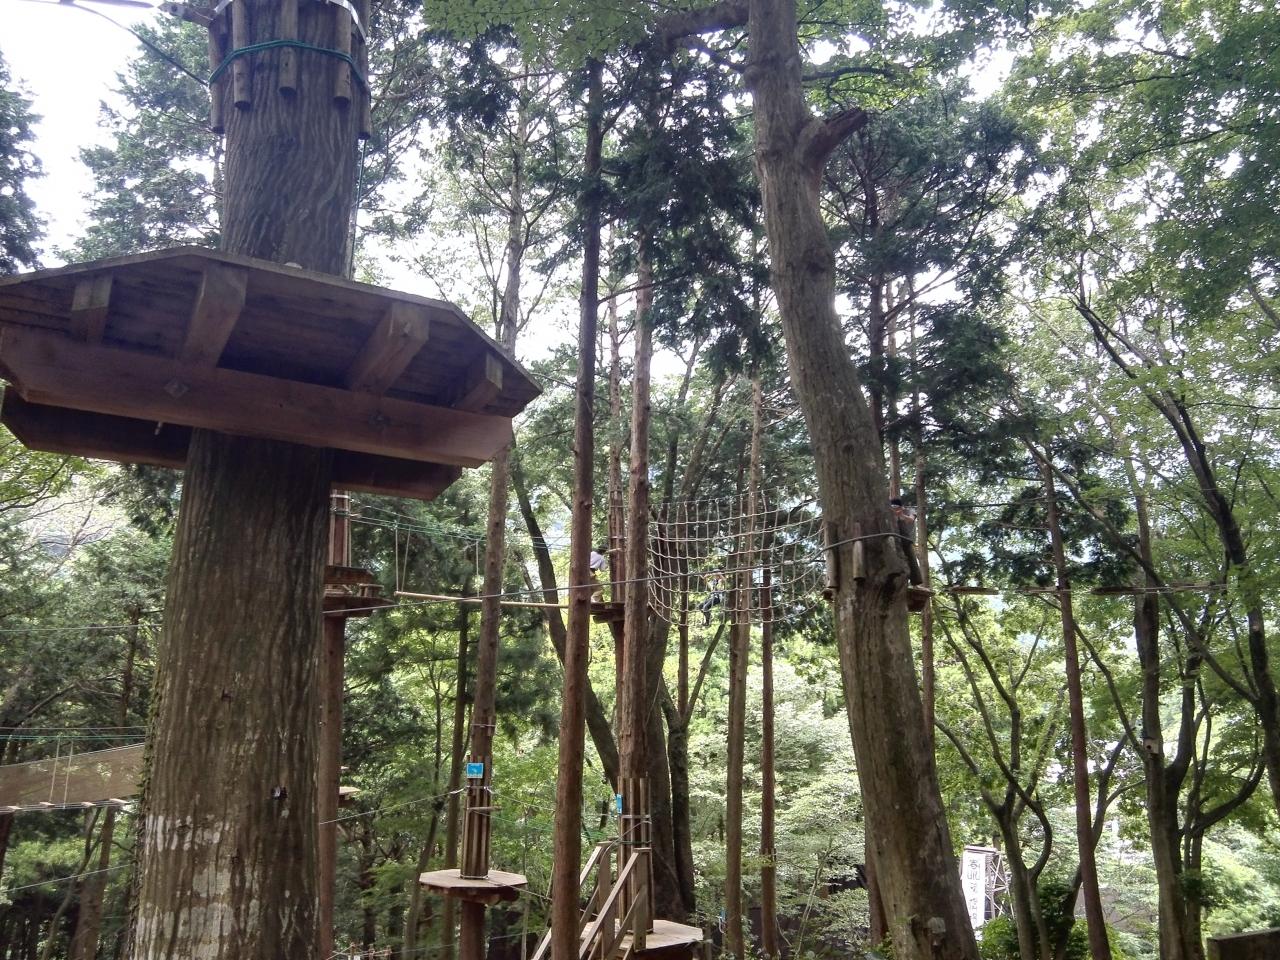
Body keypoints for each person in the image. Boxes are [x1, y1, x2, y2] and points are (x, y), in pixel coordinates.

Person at [890, 498, 923, 585]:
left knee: (912, 560)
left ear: (901, 507)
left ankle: (916, 583)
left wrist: (901, 515)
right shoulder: (891, 513)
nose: (895, 510)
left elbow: (911, 520)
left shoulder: (910, 510)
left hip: (908, 539)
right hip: (897, 539)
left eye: (896, 508)